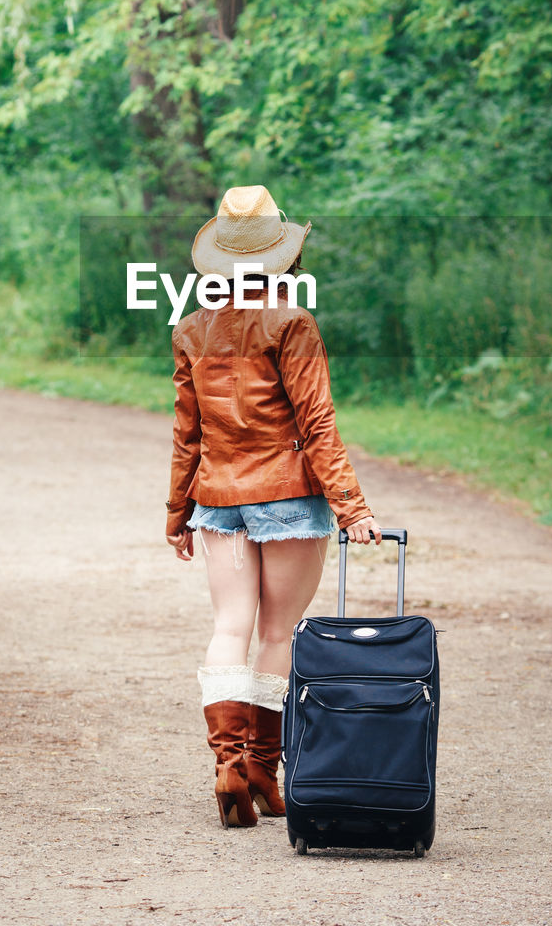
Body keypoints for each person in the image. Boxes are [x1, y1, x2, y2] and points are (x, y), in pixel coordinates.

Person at [165, 185, 381, 829]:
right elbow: (317, 423)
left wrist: (178, 513)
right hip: (287, 497)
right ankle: (263, 765)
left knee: (230, 625)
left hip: (219, 502)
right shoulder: (291, 321)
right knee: (278, 632)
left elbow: (187, 432)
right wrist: (352, 507)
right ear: (280, 254)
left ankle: (229, 764)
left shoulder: (192, 328)